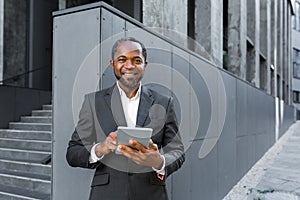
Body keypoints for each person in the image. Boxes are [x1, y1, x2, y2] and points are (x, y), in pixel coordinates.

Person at [66, 37, 185, 200]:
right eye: (122, 59)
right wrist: (101, 148)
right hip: (107, 194)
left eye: (136, 60)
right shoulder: (93, 102)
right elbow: (73, 152)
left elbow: (177, 151)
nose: (129, 66)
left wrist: (159, 162)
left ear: (145, 65)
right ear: (112, 64)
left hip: (151, 194)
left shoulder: (164, 102)